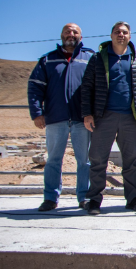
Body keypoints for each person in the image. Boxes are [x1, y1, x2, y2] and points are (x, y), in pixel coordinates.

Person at [81, 21, 136, 215]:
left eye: (124, 32)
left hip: (130, 118)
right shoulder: (98, 59)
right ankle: (94, 200)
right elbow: (87, 87)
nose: (121, 35)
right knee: (98, 159)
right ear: (111, 35)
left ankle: (132, 199)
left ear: (130, 36)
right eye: (117, 32)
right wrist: (87, 114)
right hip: (104, 117)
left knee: (130, 160)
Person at [28, 23, 94, 211]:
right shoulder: (48, 60)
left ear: (81, 36)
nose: (71, 34)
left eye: (75, 32)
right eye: (67, 31)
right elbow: (35, 87)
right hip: (56, 118)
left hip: (83, 120)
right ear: (61, 35)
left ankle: (84, 196)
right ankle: (50, 197)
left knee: (84, 161)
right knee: (53, 160)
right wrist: (37, 113)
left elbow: (98, 87)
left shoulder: (89, 58)